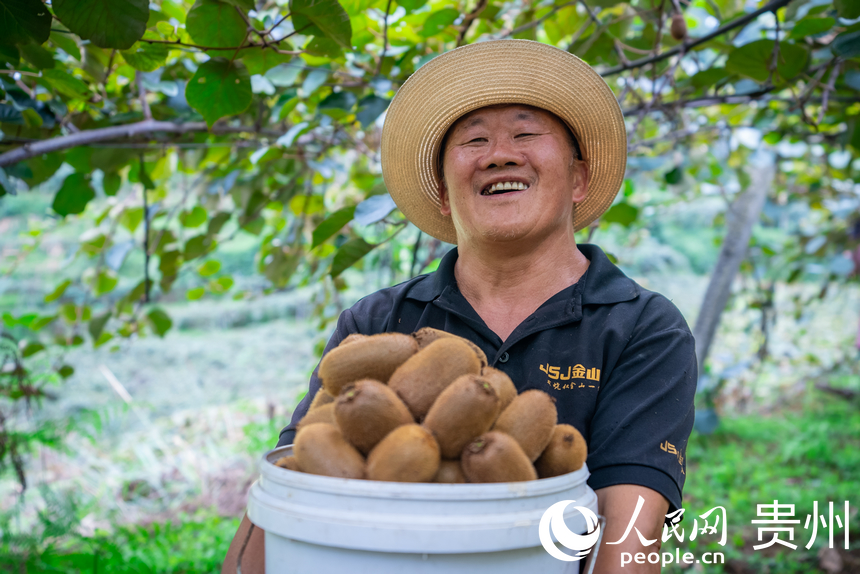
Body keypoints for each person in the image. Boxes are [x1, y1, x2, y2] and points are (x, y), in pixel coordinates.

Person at [223, 40, 696, 573]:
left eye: (525, 134)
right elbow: (293, 478)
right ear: (444, 193)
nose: (499, 154)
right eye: (474, 141)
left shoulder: (642, 327)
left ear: (579, 179)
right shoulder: (378, 321)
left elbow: (629, 523)